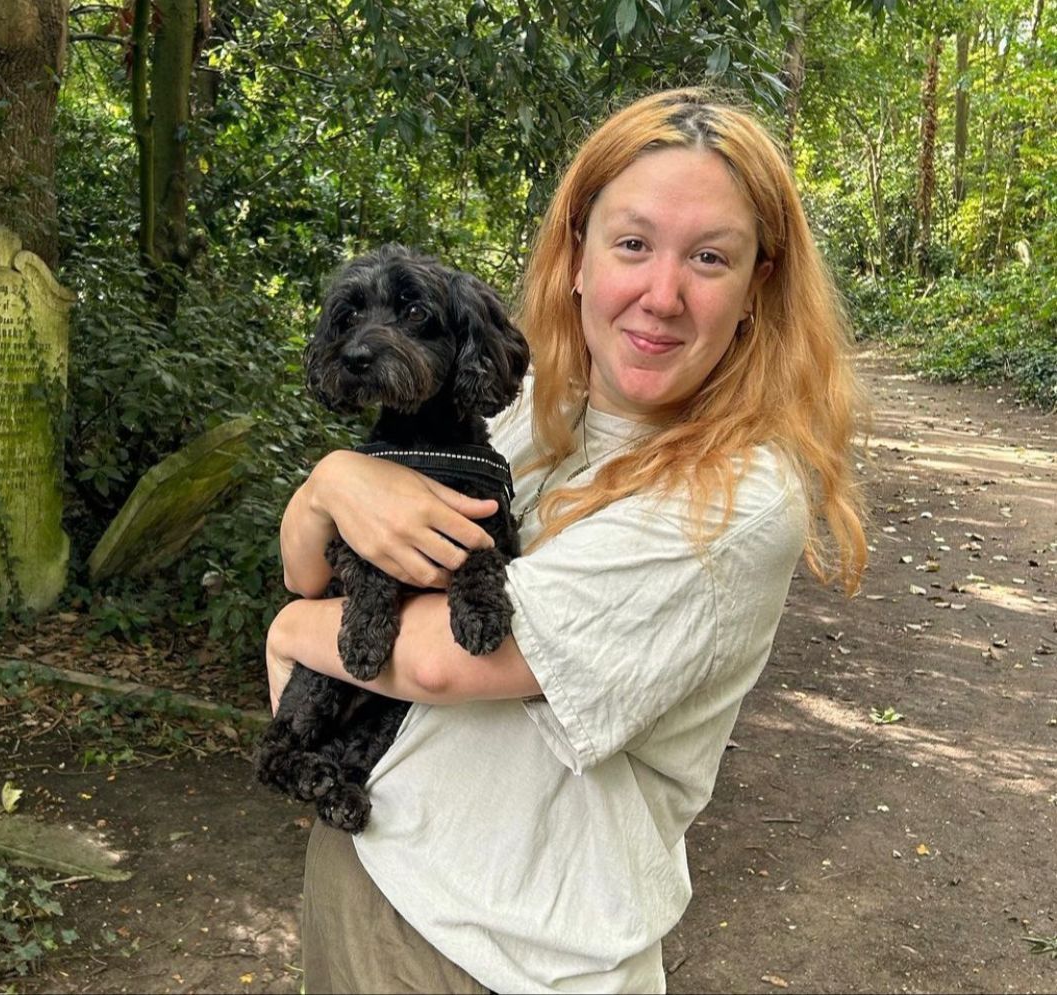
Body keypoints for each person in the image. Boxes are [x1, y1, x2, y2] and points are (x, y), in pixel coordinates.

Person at [265, 87, 867, 994]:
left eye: (708, 256)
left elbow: (436, 660)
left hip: (506, 951)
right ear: (577, 254)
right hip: (369, 859)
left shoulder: (734, 500)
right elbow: (307, 564)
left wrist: (284, 633)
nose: (660, 294)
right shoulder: (518, 404)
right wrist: (329, 485)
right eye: (632, 243)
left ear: (757, 286)